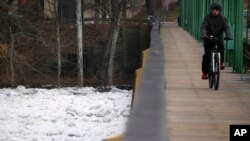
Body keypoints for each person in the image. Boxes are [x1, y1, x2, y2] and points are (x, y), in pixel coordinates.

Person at [200, 2, 232, 80]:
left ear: (219, 10)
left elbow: (226, 28)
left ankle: (221, 62)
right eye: (213, 10)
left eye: (217, 10)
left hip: (218, 38)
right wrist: (204, 35)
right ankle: (205, 73)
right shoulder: (207, 18)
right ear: (211, 10)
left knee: (221, 48)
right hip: (208, 38)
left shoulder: (223, 19)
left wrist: (228, 35)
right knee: (206, 56)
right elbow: (203, 27)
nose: (215, 11)